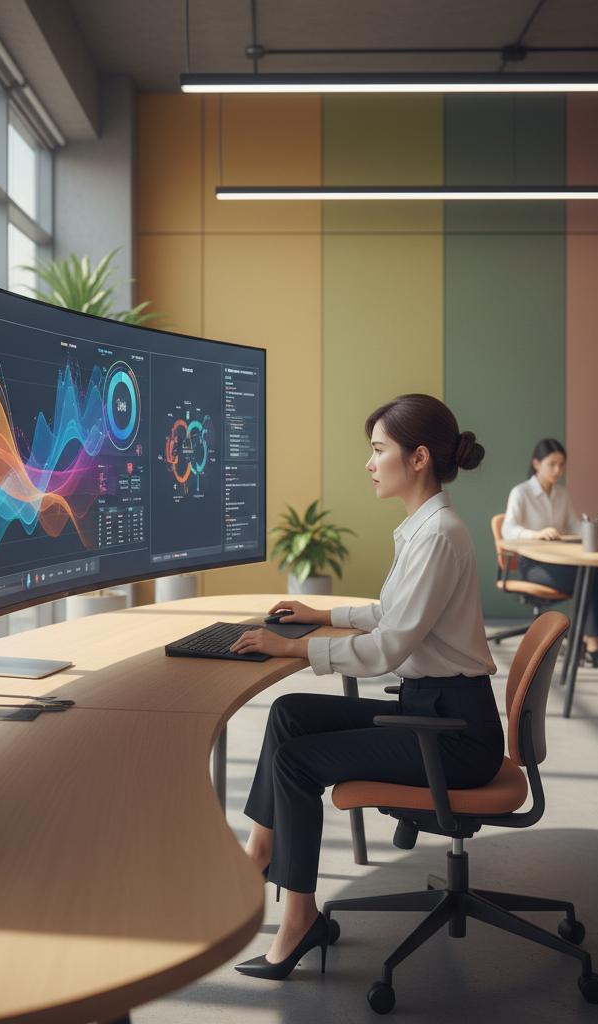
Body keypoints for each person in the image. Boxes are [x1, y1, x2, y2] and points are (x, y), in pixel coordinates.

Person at [227, 393, 500, 980]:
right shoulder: (424, 528)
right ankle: (260, 853)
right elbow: (391, 614)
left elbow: (388, 650)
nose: (370, 463)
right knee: (289, 713)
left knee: (298, 762)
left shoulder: (439, 536)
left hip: (453, 735)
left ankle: (300, 920)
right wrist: (319, 613)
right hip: (432, 710)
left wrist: (293, 645)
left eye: (379, 450)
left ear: (419, 457)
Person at [502, 439, 598, 666]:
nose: (557, 470)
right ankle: (588, 643)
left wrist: (597, 531)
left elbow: (572, 526)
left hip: (559, 562)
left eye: (561, 465)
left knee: (593, 572)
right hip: (533, 565)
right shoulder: (521, 492)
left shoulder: (561, 493)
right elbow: (508, 529)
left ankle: (590, 642)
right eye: (552, 464)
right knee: (587, 576)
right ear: (536, 463)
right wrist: (536, 534)